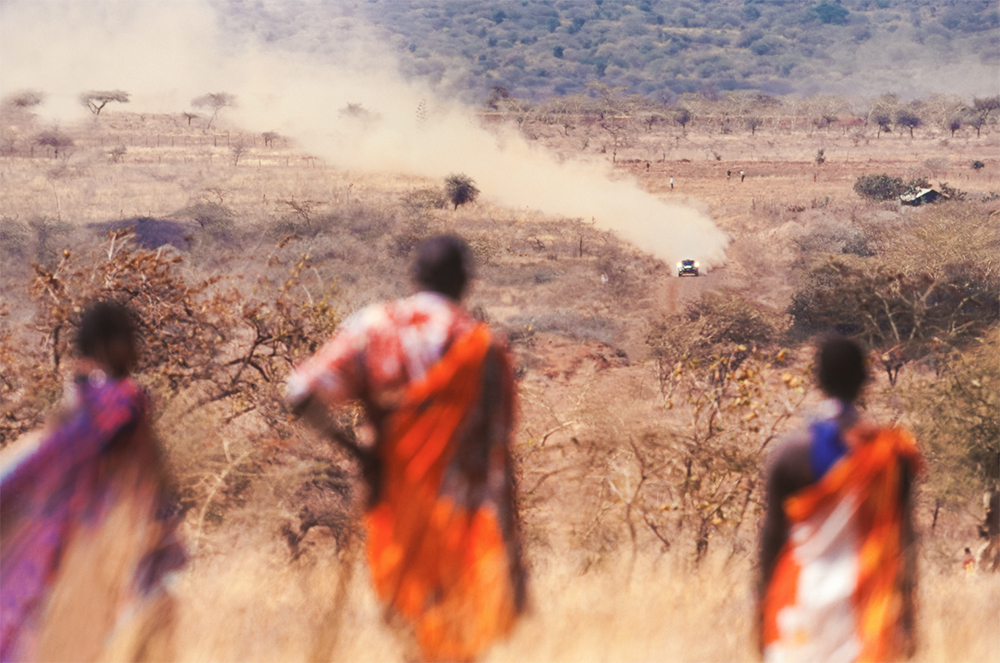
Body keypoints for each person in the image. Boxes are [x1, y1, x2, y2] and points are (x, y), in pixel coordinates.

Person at [287, 235, 526, 662]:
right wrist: (514, 554)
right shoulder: (484, 348)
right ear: (465, 283)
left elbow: (300, 391)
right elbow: (500, 453)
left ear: (413, 277)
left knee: (413, 627)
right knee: (456, 632)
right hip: (462, 513)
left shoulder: (376, 327)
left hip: (395, 505)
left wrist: (359, 454)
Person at [0, 300, 186, 663]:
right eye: (127, 338)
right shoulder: (127, 401)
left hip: (58, 530)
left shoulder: (77, 398)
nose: (134, 348)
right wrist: (162, 524)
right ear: (105, 343)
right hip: (95, 534)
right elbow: (149, 474)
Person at [757, 337, 922, 662]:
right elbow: (904, 541)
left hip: (801, 607)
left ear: (817, 380)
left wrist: (761, 617)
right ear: (866, 382)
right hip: (868, 610)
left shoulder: (791, 457)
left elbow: (771, 543)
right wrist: (908, 619)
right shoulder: (892, 456)